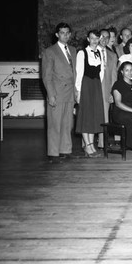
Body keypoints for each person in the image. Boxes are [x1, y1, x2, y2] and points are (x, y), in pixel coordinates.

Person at [41, 22, 77, 163]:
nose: (65, 35)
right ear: (57, 35)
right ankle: (53, 153)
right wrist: (51, 95)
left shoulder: (73, 50)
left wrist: (76, 92)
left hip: (70, 93)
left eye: (67, 33)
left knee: (68, 123)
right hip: (57, 93)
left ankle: (65, 150)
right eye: (62, 33)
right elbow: (46, 76)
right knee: (54, 124)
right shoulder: (50, 51)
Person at [75, 30, 105, 158]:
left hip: (96, 85)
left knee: (94, 116)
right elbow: (79, 73)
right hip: (85, 85)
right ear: (88, 39)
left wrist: (98, 85)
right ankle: (87, 146)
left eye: (96, 38)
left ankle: (92, 145)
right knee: (86, 115)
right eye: (92, 38)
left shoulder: (99, 53)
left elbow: (102, 71)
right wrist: (78, 91)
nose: (94, 41)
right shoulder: (82, 53)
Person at [97, 29, 118, 148]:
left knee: (105, 116)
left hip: (106, 89)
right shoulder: (91, 52)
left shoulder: (112, 55)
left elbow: (114, 76)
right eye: (102, 37)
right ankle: (87, 143)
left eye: (107, 37)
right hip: (93, 88)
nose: (104, 39)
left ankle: (102, 142)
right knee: (90, 115)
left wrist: (112, 93)